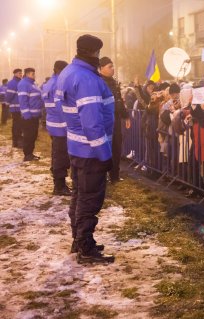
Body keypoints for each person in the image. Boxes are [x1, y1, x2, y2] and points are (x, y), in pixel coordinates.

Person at [55, 34, 115, 264]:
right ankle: (86, 248)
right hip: (91, 151)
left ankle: (78, 240)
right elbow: (92, 121)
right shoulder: (87, 78)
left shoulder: (69, 72)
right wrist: (104, 154)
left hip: (77, 147)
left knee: (79, 196)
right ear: (94, 53)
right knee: (90, 199)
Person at [99, 56, 130, 183]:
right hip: (104, 120)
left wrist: (125, 115)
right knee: (104, 147)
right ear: (101, 68)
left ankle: (114, 175)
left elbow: (119, 101)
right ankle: (102, 174)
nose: (113, 69)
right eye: (109, 67)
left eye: (113, 66)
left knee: (116, 147)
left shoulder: (114, 82)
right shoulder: (99, 82)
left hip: (115, 120)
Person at [42, 60, 71, 195]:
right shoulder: (59, 83)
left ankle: (58, 183)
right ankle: (59, 186)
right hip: (60, 125)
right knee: (61, 156)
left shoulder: (49, 83)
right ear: (61, 70)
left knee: (56, 154)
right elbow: (61, 107)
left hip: (53, 124)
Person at [18, 68, 44, 161]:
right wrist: (27, 114)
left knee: (33, 135)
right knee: (29, 136)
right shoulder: (24, 84)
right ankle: (27, 155)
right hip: (29, 116)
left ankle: (30, 153)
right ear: (27, 74)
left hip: (35, 115)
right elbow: (23, 101)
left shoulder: (32, 84)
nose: (34, 75)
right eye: (33, 74)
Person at [5, 69, 23, 148]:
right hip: (15, 108)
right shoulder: (12, 83)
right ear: (15, 74)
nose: (21, 74)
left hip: (20, 107)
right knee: (17, 125)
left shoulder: (20, 82)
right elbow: (9, 95)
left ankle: (16, 142)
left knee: (18, 125)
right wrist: (7, 103)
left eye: (21, 73)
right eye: (19, 73)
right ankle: (17, 142)